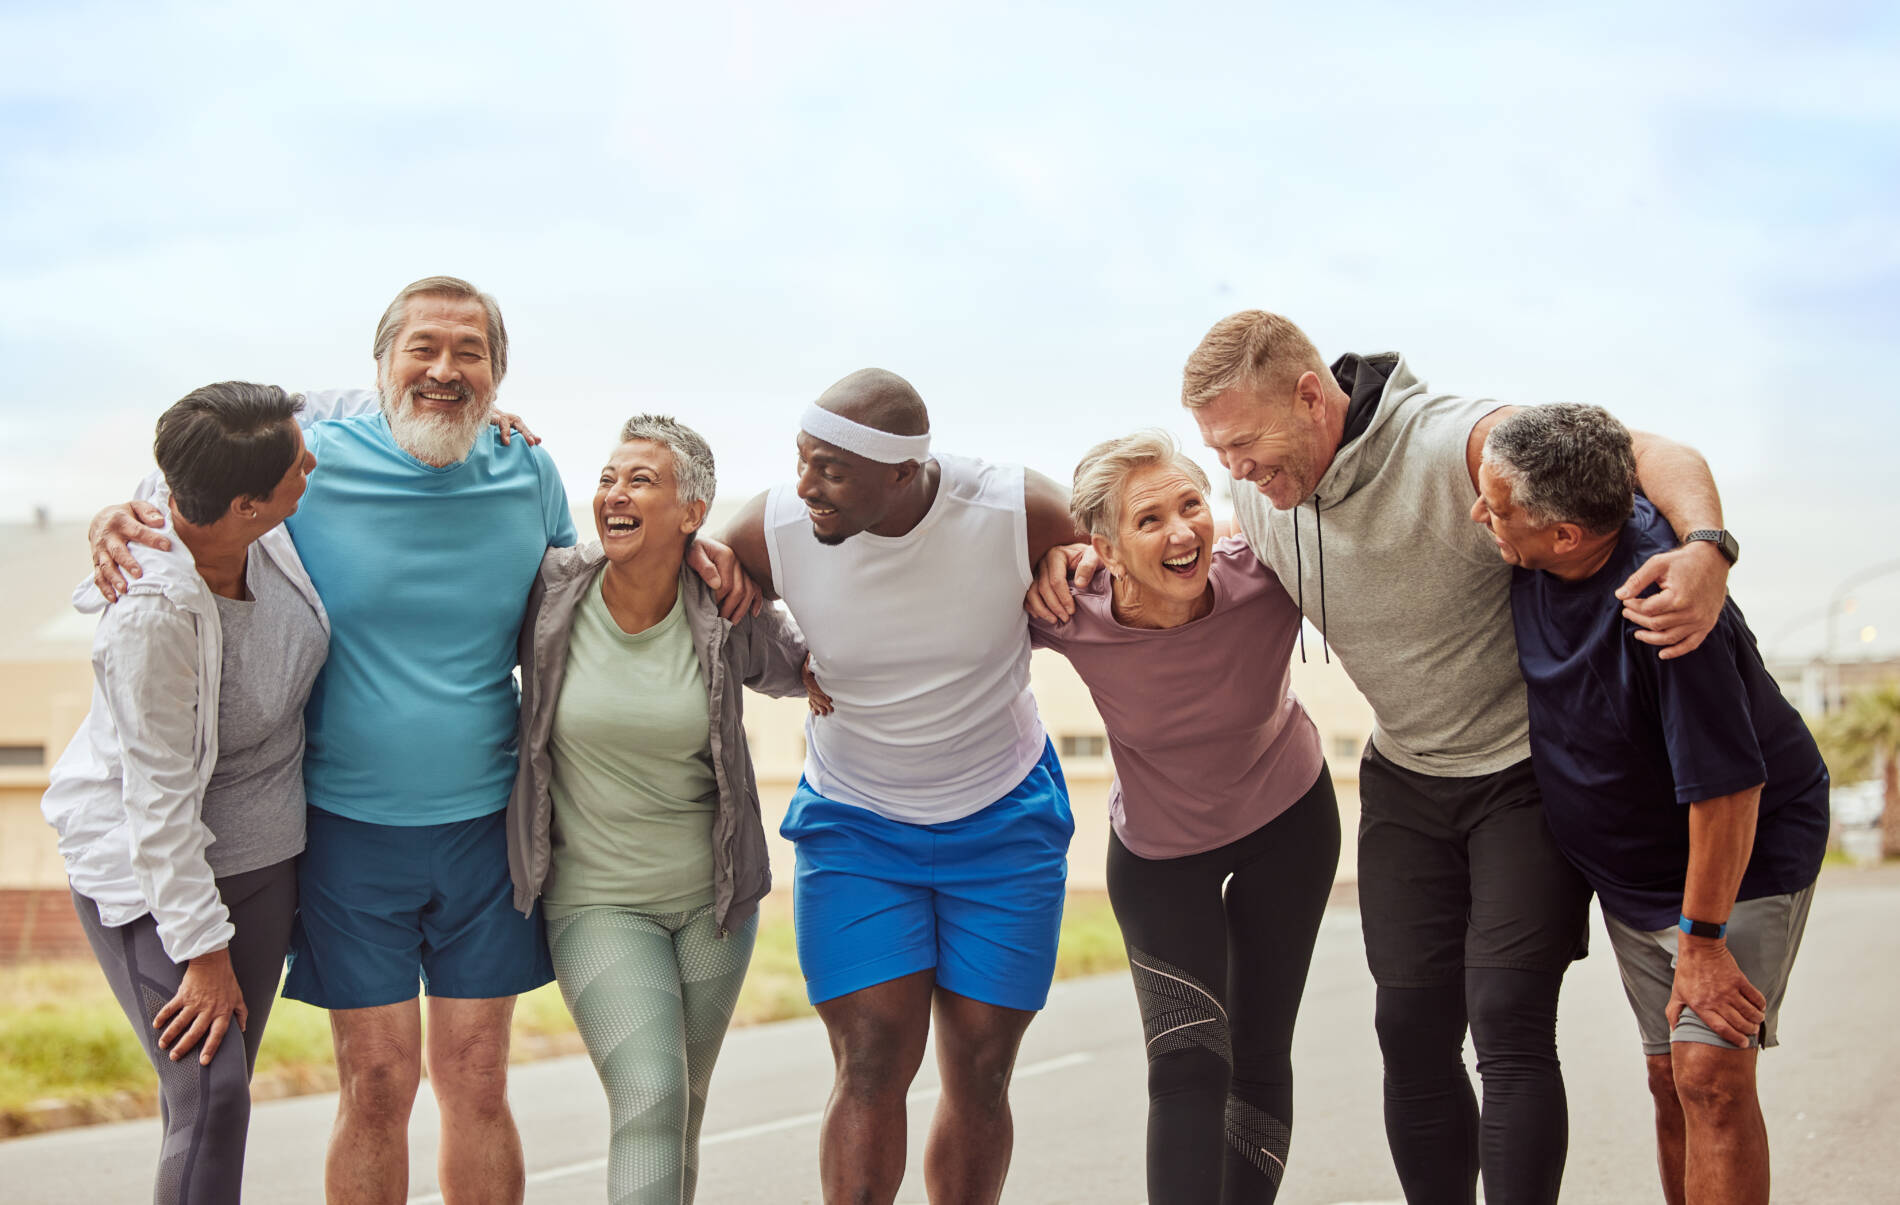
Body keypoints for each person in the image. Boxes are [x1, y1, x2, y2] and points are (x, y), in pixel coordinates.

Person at [1033, 310, 1735, 1205]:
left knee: (1509, 1022)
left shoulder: (1453, 442)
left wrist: (1708, 548)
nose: (1233, 473)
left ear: (1310, 394)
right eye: (1222, 454)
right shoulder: (1254, 502)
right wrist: (1058, 558)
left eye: (1243, 443)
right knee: (1406, 1025)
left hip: (1518, 773)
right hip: (1404, 778)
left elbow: (1643, 452)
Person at [87, 276, 577, 1205]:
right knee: (379, 1081)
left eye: (469, 351)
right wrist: (114, 514)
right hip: (347, 832)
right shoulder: (310, 462)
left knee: (477, 1077)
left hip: (487, 828)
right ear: (381, 364)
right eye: (421, 348)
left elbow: (578, 603)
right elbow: (197, 483)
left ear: (499, 374)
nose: (443, 368)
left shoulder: (530, 470)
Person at [697, 367, 1086, 1205]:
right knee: (872, 1056)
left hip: (1004, 816)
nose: (805, 487)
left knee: (981, 1068)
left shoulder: (1014, 509)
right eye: (801, 460)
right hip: (858, 820)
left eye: (830, 470)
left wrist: (1072, 561)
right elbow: (711, 606)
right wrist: (775, 638)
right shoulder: (775, 525)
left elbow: (1107, 543)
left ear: (903, 473)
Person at [1473, 403, 1827, 1205]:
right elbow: (1647, 445)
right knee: (1669, 1075)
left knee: (1711, 1076)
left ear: (1565, 533)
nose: (1479, 514)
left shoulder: (1664, 613)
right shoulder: (1556, 515)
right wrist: (1716, 540)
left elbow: (1733, 789)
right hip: (1634, 868)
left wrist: (1703, 939)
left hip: (1739, 855)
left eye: (1497, 508)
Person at [506, 415, 812, 1204]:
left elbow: (803, 670)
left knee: (680, 1110)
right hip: (596, 898)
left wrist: (750, 580)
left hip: (712, 905)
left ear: (692, 511)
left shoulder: (717, 606)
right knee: (649, 1095)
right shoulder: (551, 592)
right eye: (609, 478)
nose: (615, 492)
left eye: (641, 480)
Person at [1027, 430, 1337, 1204]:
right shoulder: (1069, 612)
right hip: (1161, 854)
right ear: (1104, 545)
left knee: (1261, 1052)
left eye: (1192, 505)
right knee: (1187, 1065)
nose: (1182, 532)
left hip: (1288, 822)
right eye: (1150, 519)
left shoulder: (1266, 580)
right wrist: (1042, 557)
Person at [43, 382, 325, 1204]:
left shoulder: (241, 507)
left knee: (215, 1100)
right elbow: (157, 807)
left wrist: (484, 411)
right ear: (244, 506)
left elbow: (351, 407)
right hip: (151, 876)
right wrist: (202, 956)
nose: (311, 462)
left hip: (264, 856)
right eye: (295, 468)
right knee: (214, 1093)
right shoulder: (153, 617)